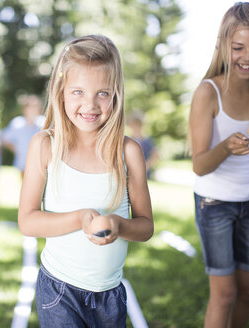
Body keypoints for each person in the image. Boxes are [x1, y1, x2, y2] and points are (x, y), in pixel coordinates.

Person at [18, 35, 154, 327]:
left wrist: (119, 225)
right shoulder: (45, 145)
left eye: (102, 93)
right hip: (58, 290)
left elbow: (145, 227)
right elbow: (27, 221)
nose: (89, 104)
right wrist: (80, 219)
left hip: (110, 295)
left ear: (116, 94)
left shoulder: (129, 152)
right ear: (61, 91)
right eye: (78, 91)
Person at [189, 3, 249, 327]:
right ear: (223, 44)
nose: (247, 57)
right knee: (224, 293)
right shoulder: (208, 92)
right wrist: (226, 147)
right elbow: (199, 165)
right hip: (214, 204)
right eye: (238, 47)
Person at [2, 94, 45, 176]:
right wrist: (17, 149)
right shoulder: (17, 123)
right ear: (25, 109)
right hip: (23, 163)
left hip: (41, 164)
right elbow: (5, 139)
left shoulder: (43, 122)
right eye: (30, 107)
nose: (33, 110)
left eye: (35, 107)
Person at [128, 112, 159, 179]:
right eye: (133, 125)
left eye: (137, 124)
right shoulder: (128, 140)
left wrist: (146, 166)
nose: (135, 127)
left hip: (145, 175)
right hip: (131, 174)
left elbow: (156, 155)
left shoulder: (147, 140)